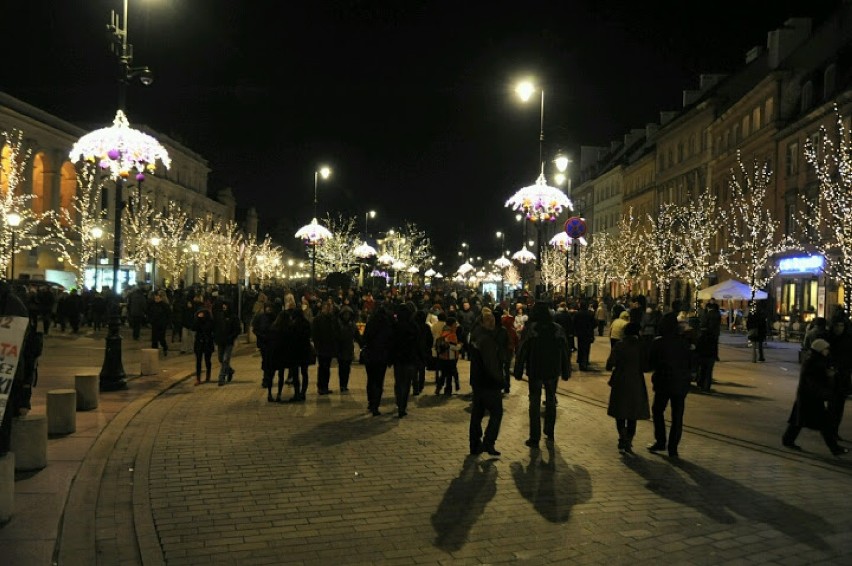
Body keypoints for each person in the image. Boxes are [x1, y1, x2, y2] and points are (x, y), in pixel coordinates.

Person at [513, 301, 571, 448]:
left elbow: (522, 351)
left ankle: (535, 436)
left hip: (536, 368)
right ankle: (549, 431)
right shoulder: (557, 329)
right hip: (552, 369)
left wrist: (518, 369)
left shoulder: (531, 329)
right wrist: (566, 370)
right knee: (551, 400)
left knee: (534, 402)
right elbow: (565, 351)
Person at [782, 338, 848, 456]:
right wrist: (827, 390)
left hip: (808, 398)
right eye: (825, 349)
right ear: (820, 350)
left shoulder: (816, 360)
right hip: (811, 398)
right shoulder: (813, 362)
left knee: (798, 421)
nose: (827, 351)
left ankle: (787, 440)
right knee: (824, 425)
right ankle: (835, 449)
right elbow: (813, 382)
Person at [0, 282, 41, 458]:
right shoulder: (12, 302)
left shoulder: (11, 304)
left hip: (7, 374)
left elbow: (23, 350)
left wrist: (25, 395)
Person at [647, 312, 693, 459]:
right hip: (680, 383)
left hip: (663, 382)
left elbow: (650, 363)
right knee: (677, 416)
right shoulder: (684, 343)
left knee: (657, 410)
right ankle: (673, 448)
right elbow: (691, 363)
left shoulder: (658, 342)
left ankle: (661, 441)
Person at [605, 322, 650, 454]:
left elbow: (610, 364)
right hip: (636, 381)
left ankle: (622, 437)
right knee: (632, 413)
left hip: (620, 380)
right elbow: (646, 366)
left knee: (620, 412)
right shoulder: (641, 346)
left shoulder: (620, 345)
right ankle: (629, 440)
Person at [468, 307, 505, 456]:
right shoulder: (487, 339)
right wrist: (500, 380)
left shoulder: (476, 335)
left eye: (493, 320)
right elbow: (491, 363)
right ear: (482, 322)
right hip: (488, 381)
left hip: (477, 380)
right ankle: (488, 442)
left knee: (477, 413)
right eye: (488, 320)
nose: (492, 322)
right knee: (496, 412)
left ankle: (475, 444)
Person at [362, 303, 394, 415]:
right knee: (379, 381)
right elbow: (390, 342)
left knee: (371, 379)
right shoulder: (387, 325)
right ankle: (375, 404)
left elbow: (365, 338)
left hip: (371, 355)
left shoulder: (371, 323)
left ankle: (371, 402)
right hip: (382, 356)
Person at [390, 302, 420, 418]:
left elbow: (392, 342)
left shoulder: (396, 326)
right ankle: (402, 406)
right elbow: (417, 344)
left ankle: (399, 402)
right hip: (409, 358)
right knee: (406, 383)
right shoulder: (413, 326)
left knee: (398, 382)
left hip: (398, 358)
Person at [827, 315, 852, 442]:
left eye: (841, 325)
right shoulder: (829, 338)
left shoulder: (847, 340)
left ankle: (834, 430)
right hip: (831, 377)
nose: (839, 328)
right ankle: (829, 431)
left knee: (839, 407)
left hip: (843, 377)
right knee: (832, 406)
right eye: (837, 325)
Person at [285, 306, 313, 403]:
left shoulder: (292, 325)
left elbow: (289, 339)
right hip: (304, 351)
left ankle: (297, 393)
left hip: (295, 352)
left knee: (296, 374)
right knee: (304, 373)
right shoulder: (306, 324)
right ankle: (303, 393)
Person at [311, 299, 339, 395]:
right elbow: (315, 335)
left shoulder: (332, 319)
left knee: (327, 368)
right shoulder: (318, 319)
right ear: (323, 309)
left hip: (329, 347)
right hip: (322, 348)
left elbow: (334, 332)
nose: (328, 310)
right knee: (322, 368)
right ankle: (321, 387)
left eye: (329, 308)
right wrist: (317, 346)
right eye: (327, 308)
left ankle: (325, 386)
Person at [213, 300, 241, 386]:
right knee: (220, 359)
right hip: (220, 341)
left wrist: (231, 337)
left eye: (225, 305)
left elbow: (237, 329)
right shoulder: (219, 316)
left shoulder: (233, 317)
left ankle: (221, 377)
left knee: (225, 360)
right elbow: (216, 327)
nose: (224, 307)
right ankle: (230, 370)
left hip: (229, 341)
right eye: (223, 305)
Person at [336, 305, 361, 393]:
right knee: (342, 368)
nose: (346, 316)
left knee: (347, 369)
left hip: (349, 349)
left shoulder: (352, 325)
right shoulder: (338, 324)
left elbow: (357, 336)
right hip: (341, 350)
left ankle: (344, 385)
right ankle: (342, 385)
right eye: (345, 314)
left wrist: (362, 344)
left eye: (348, 314)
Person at [435, 317, 462, 395]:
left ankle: (439, 388)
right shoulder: (451, 334)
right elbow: (453, 347)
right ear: (452, 324)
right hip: (450, 358)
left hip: (442, 357)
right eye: (455, 324)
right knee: (449, 375)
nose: (456, 325)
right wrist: (460, 345)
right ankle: (448, 391)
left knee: (443, 374)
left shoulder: (443, 332)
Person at [192, 304, 215, 385]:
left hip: (207, 342)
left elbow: (209, 329)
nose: (201, 315)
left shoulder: (210, 321)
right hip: (199, 342)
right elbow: (194, 327)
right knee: (198, 360)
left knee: (207, 360)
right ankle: (198, 378)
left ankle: (208, 376)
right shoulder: (197, 320)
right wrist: (198, 319)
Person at [413, 309, 433, 396]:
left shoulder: (413, 326)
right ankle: (420, 385)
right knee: (422, 369)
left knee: (414, 370)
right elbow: (430, 340)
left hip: (414, 351)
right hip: (423, 351)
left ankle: (415, 387)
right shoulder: (426, 327)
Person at [574, 301, 596, 371]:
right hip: (588, 333)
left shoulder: (577, 314)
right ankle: (585, 361)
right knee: (586, 348)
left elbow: (574, 322)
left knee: (580, 348)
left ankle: (580, 362)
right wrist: (590, 328)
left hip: (580, 333)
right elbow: (595, 323)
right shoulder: (590, 314)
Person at [148, 290, 172, 356]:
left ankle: (165, 348)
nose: (156, 300)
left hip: (162, 324)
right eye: (155, 298)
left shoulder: (165, 306)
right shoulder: (153, 305)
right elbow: (150, 313)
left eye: (157, 298)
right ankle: (154, 352)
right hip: (155, 324)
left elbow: (168, 315)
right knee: (154, 339)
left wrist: (167, 323)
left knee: (161, 338)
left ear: (161, 298)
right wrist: (150, 321)